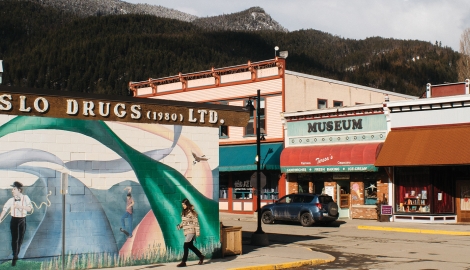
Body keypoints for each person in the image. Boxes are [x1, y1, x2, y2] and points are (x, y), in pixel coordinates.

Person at [0, 181, 32, 267]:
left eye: (14, 189)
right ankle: (15, 256)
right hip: (14, 220)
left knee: (20, 239)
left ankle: (16, 254)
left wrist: (20, 207)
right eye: (12, 189)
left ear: (19, 190)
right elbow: (5, 209)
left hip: (22, 220)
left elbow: (30, 209)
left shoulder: (25, 198)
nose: (12, 191)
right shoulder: (11, 200)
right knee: (15, 239)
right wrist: (0, 218)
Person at [176, 198, 204, 267]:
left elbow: (196, 222)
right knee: (190, 246)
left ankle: (183, 262)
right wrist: (180, 226)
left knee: (185, 245)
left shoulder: (192, 212)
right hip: (186, 231)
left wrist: (197, 232)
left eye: (184, 204)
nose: (183, 206)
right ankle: (201, 256)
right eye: (182, 205)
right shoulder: (183, 212)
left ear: (187, 204)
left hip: (191, 230)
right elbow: (184, 221)